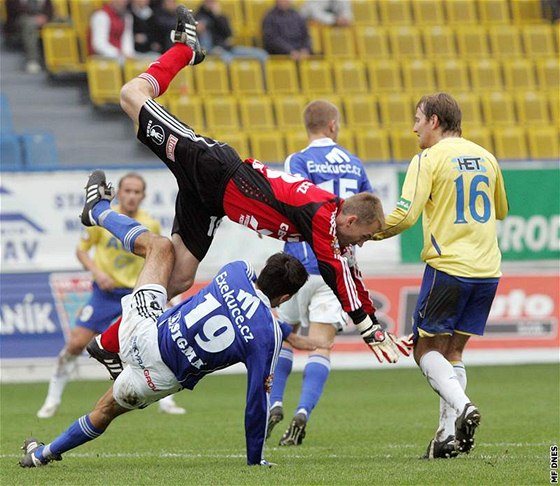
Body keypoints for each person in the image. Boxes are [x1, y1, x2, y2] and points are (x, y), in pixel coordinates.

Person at [87, 5, 406, 376]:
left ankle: (106, 344)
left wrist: (373, 322)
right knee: (131, 94)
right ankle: (185, 51)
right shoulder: (322, 214)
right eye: (365, 237)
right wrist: (368, 328)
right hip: (211, 166)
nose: (362, 244)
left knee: (177, 279)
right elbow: (335, 269)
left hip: (212, 201)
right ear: (351, 220)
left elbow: (348, 271)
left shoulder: (335, 229)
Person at [19, 169, 322, 467]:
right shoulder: (266, 334)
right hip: (161, 378)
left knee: (160, 247)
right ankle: (41, 456)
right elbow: (256, 401)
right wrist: (255, 460)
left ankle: (98, 211)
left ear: (264, 269)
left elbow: (240, 301)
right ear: (285, 298)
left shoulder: (237, 271)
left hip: (144, 333)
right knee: (105, 411)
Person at [371, 92, 509, 459]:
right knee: (453, 351)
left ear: (434, 120)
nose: (413, 127)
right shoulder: (487, 156)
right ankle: (446, 439)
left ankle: (463, 407)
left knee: (424, 350)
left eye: (418, 118)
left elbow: (405, 216)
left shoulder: (428, 159)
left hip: (449, 267)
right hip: (488, 270)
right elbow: (502, 210)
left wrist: (369, 233)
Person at [266, 100, 374, 446]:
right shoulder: (355, 164)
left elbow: (294, 203)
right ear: (333, 125)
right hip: (336, 266)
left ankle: (275, 401)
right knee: (321, 346)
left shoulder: (297, 161)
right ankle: (303, 412)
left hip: (298, 264)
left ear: (309, 126)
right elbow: (367, 211)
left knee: (284, 335)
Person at [36, 173, 186, 418]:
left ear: (143, 196)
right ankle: (52, 398)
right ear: (120, 193)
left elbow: (157, 260)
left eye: (137, 192)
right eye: (127, 190)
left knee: (157, 345)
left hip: (136, 294)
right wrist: (97, 273)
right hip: (106, 293)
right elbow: (81, 251)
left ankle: (166, 402)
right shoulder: (106, 220)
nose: (131, 196)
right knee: (76, 343)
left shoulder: (150, 224)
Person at [195, 0, 268, 65]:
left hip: (228, 48)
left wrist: (218, 16)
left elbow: (229, 34)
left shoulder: (220, 16)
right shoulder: (198, 16)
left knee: (262, 55)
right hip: (214, 50)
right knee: (229, 60)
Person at [4, 0, 54, 73]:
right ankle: (32, 60)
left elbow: (50, 10)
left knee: (63, 23)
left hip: (42, 20)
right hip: (19, 23)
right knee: (30, 24)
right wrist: (36, 18)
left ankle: (60, 61)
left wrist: (45, 18)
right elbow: (15, 11)